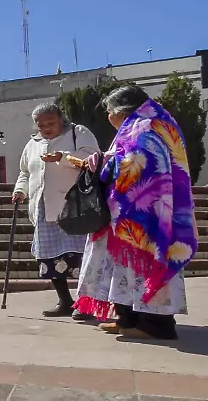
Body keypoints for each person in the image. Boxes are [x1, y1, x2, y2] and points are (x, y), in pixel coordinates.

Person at [73, 85, 198, 341]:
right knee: (124, 267)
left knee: (144, 263)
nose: (108, 117)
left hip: (146, 214)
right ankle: (128, 316)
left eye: (109, 111)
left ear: (119, 111)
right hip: (142, 211)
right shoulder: (154, 122)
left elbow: (138, 165)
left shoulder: (145, 127)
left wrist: (104, 165)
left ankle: (155, 323)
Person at [11, 103, 100, 319]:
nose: (46, 128)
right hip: (43, 207)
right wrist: (20, 191)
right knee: (50, 257)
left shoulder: (78, 133)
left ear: (61, 118)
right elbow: (25, 172)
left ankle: (86, 304)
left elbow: (93, 159)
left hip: (74, 206)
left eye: (50, 123)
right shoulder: (33, 144)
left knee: (81, 257)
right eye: (41, 125)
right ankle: (65, 301)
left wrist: (62, 157)